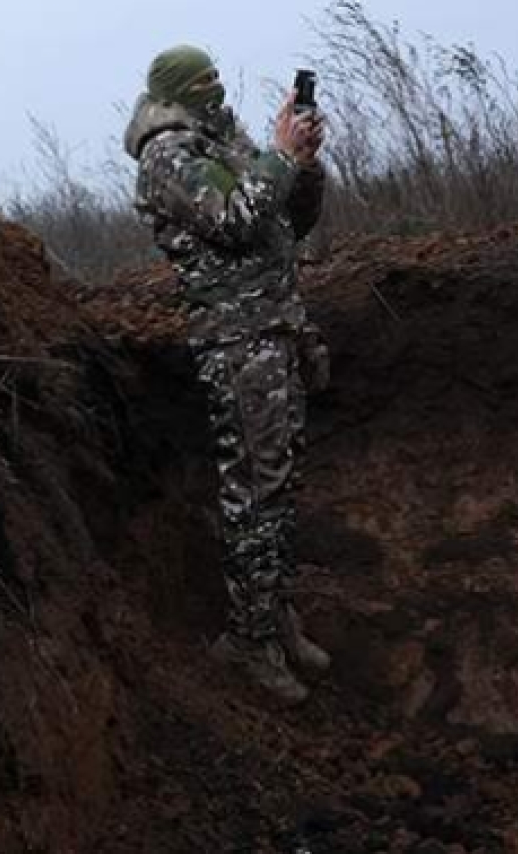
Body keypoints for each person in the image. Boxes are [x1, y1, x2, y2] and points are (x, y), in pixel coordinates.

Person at [123, 44, 331, 704]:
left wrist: (304, 162)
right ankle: (247, 642)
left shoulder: (223, 138)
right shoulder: (168, 155)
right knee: (254, 493)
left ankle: (272, 618)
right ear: (181, 91)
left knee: (281, 483)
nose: (218, 90)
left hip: (275, 331)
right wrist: (277, 156)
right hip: (237, 343)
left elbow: (289, 221)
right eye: (204, 83)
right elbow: (237, 222)